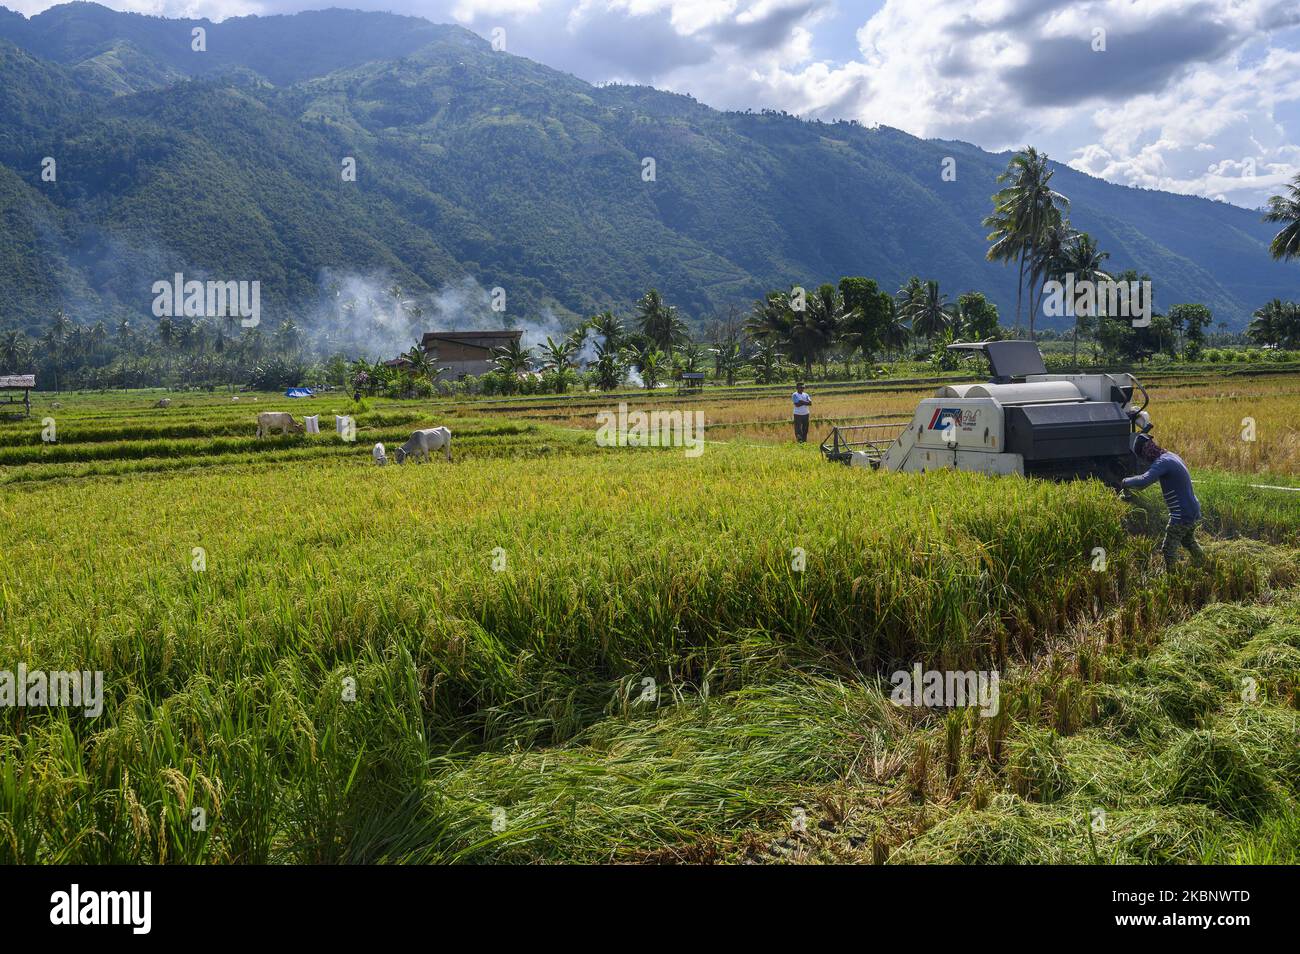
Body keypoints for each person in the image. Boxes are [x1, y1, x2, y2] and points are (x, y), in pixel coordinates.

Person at [1121, 435, 1204, 570]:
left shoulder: (1162, 463)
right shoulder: (1170, 456)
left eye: (1143, 457)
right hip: (1193, 508)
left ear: (1145, 453)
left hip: (1181, 514)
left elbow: (1143, 481)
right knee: (1188, 541)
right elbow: (1149, 480)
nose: (1145, 461)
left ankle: (1173, 578)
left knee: (1168, 549)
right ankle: (1204, 561)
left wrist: (1125, 482)